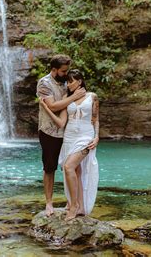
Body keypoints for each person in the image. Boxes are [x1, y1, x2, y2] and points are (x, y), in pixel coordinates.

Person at [40, 69, 99, 221]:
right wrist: (46, 108)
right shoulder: (68, 98)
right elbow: (61, 123)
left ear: (79, 81)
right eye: (67, 81)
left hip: (86, 136)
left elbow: (95, 119)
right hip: (69, 137)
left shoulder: (92, 96)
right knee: (76, 171)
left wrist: (97, 136)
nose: (68, 84)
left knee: (68, 167)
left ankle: (73, 206)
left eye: (71, 81)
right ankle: (77, 204)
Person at [36, 55, 86, 217]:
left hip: (69, 132)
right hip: (49, 131)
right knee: (50, 167)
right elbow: (53, 106)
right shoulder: (44, 83)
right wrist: (73, 97)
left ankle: (72, 201)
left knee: (71, 167)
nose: (66, 74)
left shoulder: (67, 82)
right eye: (63, 71)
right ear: (54, 69)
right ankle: (49, 203)